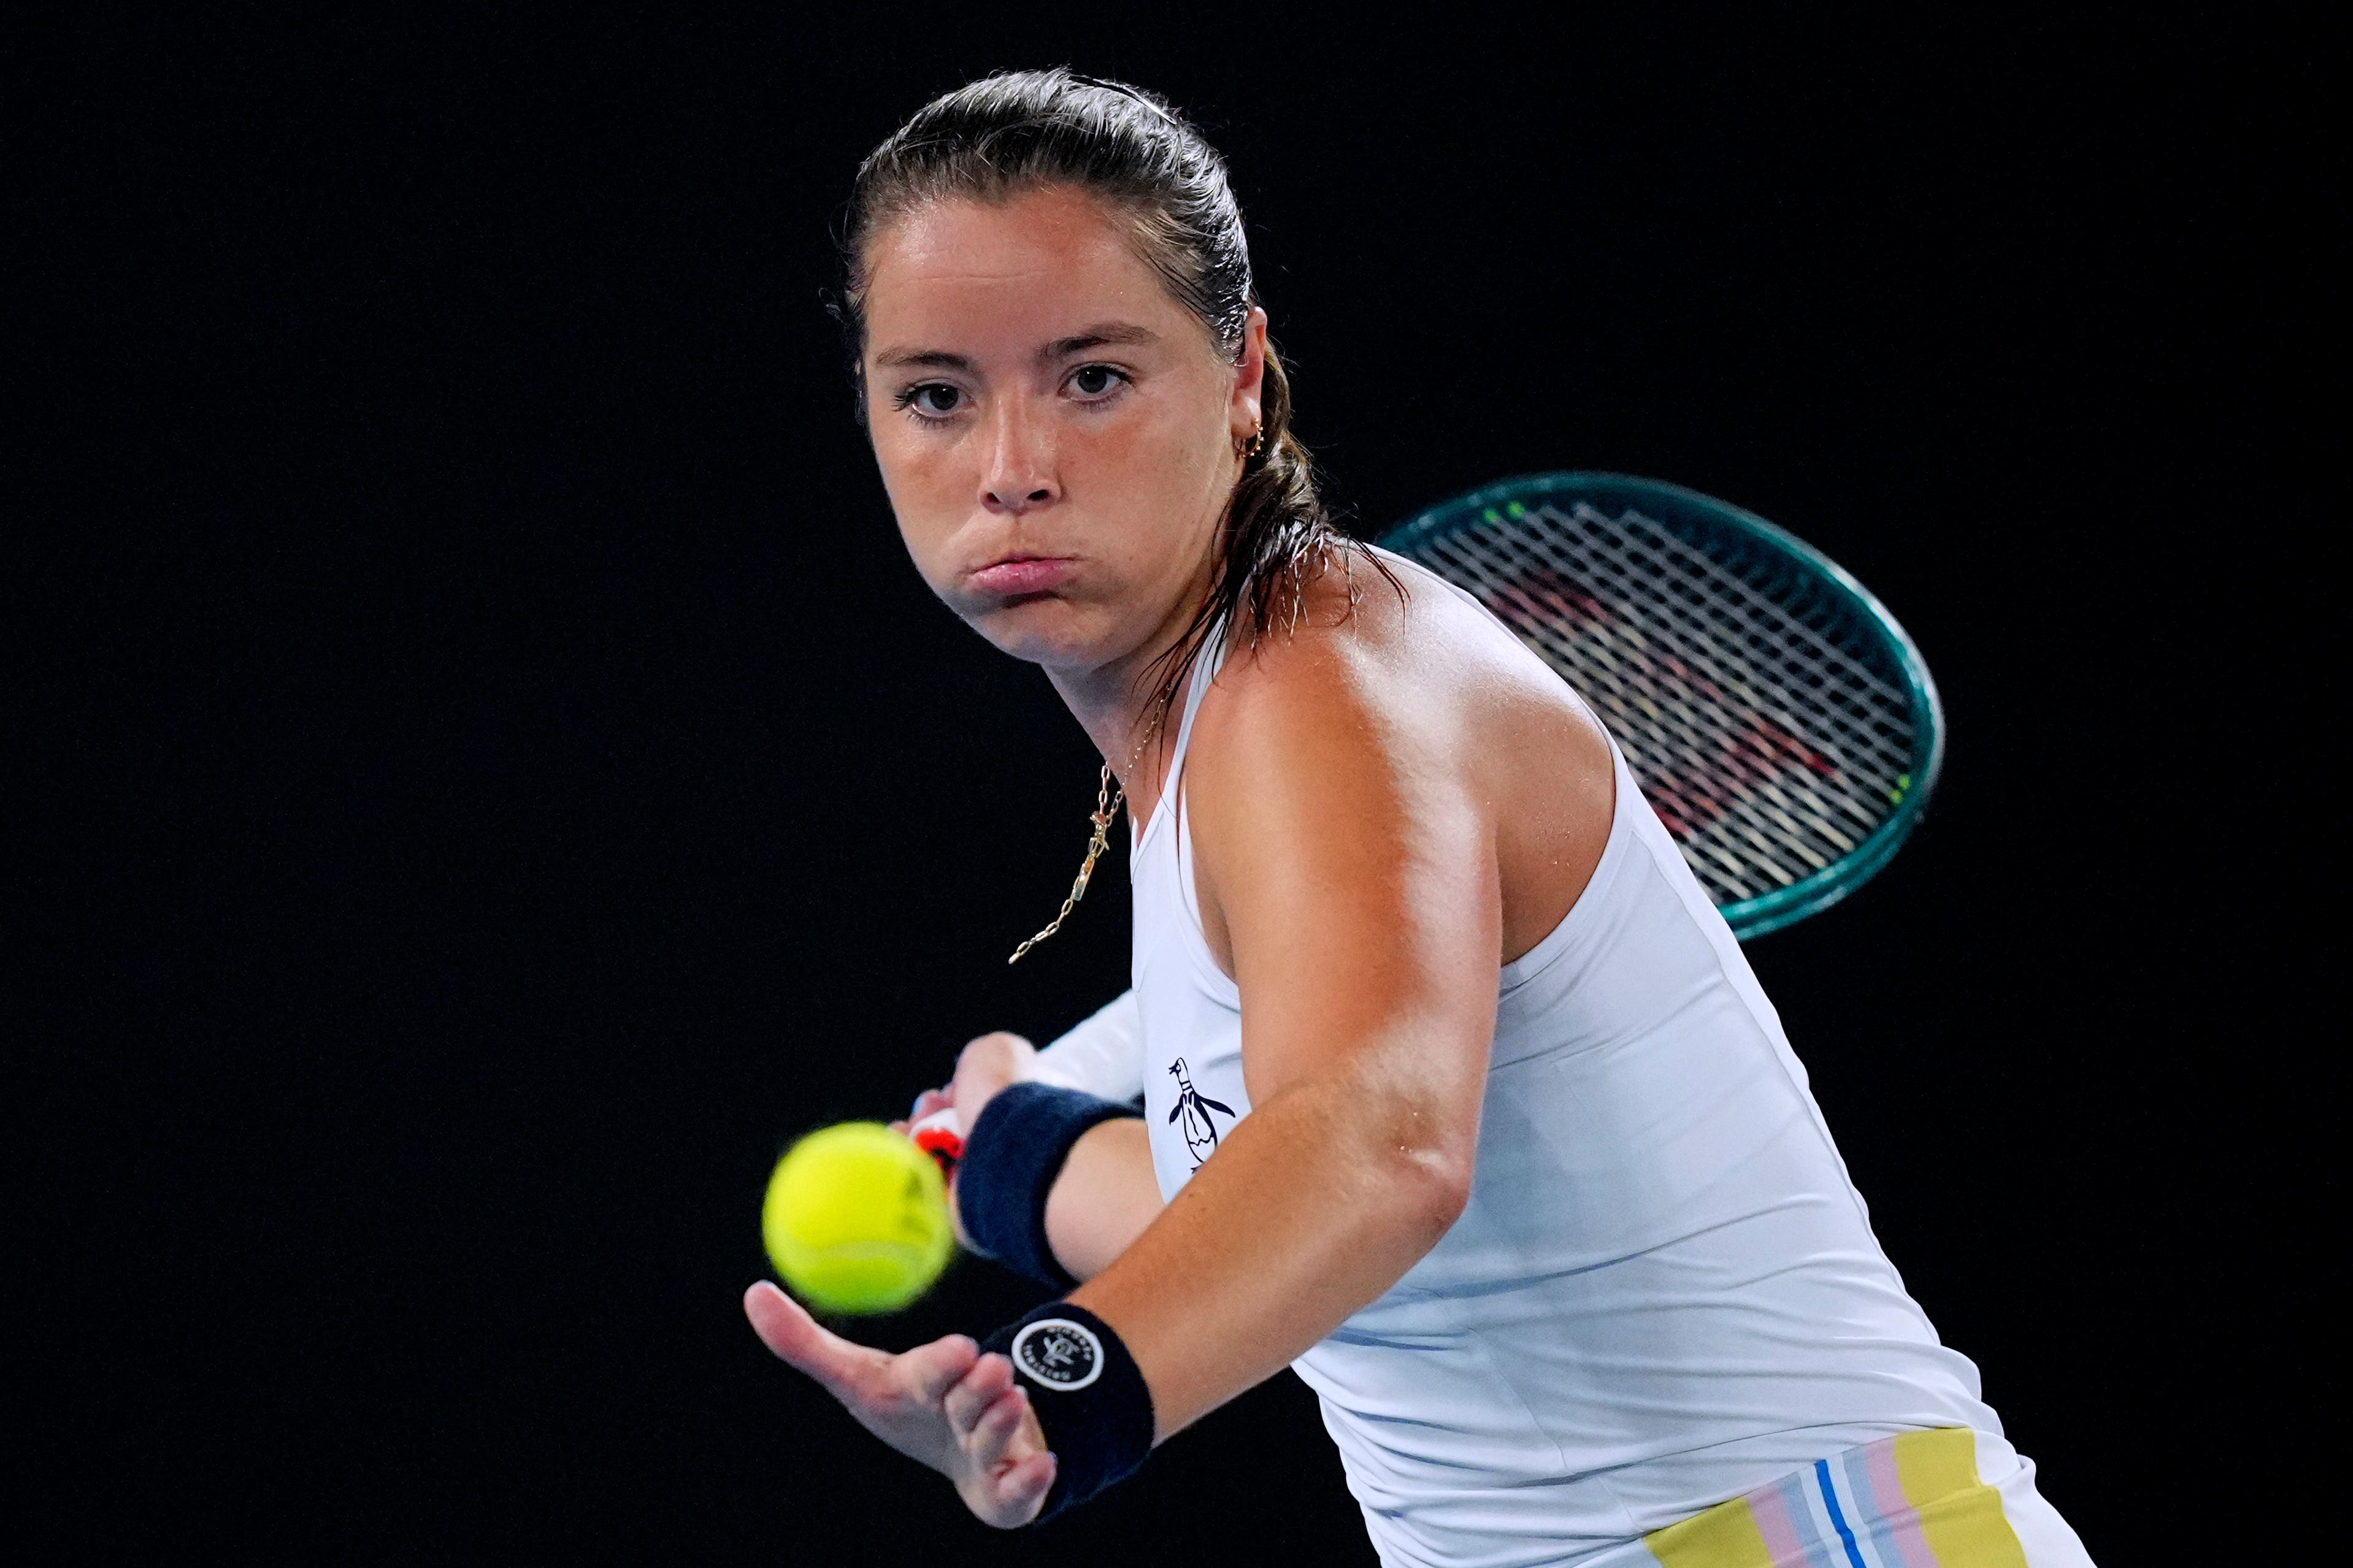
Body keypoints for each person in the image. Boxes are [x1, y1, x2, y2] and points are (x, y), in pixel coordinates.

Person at [743, 69, 2094, 1567]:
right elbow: (1276, 1210)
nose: (1011, 470)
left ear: (1243, 376)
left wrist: (1067, 1382)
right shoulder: (1215, 732)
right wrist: (1013, 1154)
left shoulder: (1321, 672)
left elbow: (1375, 1147)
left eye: (1093, 378)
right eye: (935, 393)